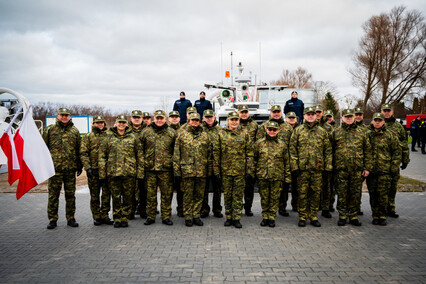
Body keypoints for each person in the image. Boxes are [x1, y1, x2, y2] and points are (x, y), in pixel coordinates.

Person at [290, 107, 332, 228]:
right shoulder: (298, 131)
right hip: (302, 169)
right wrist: (295, 166)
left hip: (317, 169)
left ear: (316, 116)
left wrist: (327, 166)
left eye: (312, 114)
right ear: (304, 116)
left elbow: (328, 150)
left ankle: (313, 216)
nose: (310, 116)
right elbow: (292, 150)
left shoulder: (322, 132)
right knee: (302, 194)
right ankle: (302, 216)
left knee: (315, 194)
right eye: (308, 114)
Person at [98, 115, 143, 228]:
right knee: (116, 197)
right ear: (116, 123)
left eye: (123, 122)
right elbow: (102, 155)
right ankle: (117, 218)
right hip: (113, 173)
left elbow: (139, 156)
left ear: (127, 124)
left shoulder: (133, 137)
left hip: (129, 172)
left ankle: (125, 218)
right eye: (119, 122)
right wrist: (103, 172)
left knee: (128, 197)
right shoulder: (108, 136)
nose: (121, 125)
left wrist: (140, 172)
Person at [331, 109, 372, 227]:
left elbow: (368, 151)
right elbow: (330, 150)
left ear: (354, 117)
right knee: (342, 194)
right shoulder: (336, 132)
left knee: (355, 193)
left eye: (351, 117)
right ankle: (343, 216)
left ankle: (353, 216)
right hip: (341, 169)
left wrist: (367, 167)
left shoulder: (361, 132)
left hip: (357, 169)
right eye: (346, 117)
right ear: (342, 118)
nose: (349, 119)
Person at [43, 107, 82, 229]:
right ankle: (52, 219)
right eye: (62, 115)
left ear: (69, 116)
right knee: (53, 195)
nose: (64, 117)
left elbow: (79, 149)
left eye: (66, 115)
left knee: (70, 195)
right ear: (57, 116)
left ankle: (71, 218)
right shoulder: (49, 130)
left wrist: (80, 165)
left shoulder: (74, 131)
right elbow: (43, 149)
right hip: (55, 169)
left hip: (70, 170)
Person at [213, 111, 254, 229]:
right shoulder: (221, 134)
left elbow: (249, 153)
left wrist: (249, 170)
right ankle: (229, 217)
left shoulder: (245, 134)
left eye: (236, 120)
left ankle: (236, 218)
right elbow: (216, 153)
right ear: (228, 121)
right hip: (225, 171)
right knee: (227, 195)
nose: (234, 122)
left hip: (240, 171)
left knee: (238, 195)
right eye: (232, 120)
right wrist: (217, 171)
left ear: (239, 121)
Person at [173, 112, 212, 227]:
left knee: (199, 195)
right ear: (189, 121)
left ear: (200, 122)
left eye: (197, 121)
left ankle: (196, 215)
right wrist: (177, 171)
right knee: (188, 195)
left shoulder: (205, 136)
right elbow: (176, 154)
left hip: (201, 170)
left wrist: (209, 170)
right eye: (192, 120)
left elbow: (209, 155)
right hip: (187, 171)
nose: (194, 123)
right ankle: (188, 216)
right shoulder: (182, 135)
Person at [140, 110, 176, 226]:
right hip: (150, 169)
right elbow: (140, 151)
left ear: (165, 119)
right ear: (153, 119)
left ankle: (166, 216)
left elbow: (176, 151)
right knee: (150, 195)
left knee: (166, 194)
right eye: (157, 118)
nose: (159, 120)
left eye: (161, 118)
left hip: (166, 169)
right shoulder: (145, 132)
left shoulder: (171, 133)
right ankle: (150, 216)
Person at [257, 105, 293, 217]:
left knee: (282, 191)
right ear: (271, 113)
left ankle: (282, 208)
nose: (276, 114)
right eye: (274, 112)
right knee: (266, 194)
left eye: (278, 112)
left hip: (281, 164)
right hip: (265, 166)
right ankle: (267, 214)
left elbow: (292, 146)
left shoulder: (288, 127)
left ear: (281, 112)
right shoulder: (263, 127)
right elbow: (258, 146)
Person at [254, 120, 291, 228]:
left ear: (278, 131)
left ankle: (272, 217)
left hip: (277, 175)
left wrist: (287, 177)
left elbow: (286, 161)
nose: (272, 131)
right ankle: (265, 216)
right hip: (263, 175)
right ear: (266, 130)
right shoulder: (259, 143)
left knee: (274, 198)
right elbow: (254, 159)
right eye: (270, 129)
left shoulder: (282, 145)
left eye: (274, 130)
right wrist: (254, 173)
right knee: (264, 197)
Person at [366, 113, 401, 226]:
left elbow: (397, 152)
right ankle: (375, 215)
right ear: (372, 121)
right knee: (373, 194)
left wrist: (394, 166)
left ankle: (382, 215)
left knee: (383, 194)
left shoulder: (390, 135)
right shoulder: (367, 134)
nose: (377, 122)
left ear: (383, 122)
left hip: (385, 171)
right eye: (375, 120)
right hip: (371, 170)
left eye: (379, 120)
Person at [80, 114, 113, 226]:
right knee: (94, 195)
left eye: (102, 122)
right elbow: (83, 153)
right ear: (93, 124)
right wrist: (87, 168)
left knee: (106, 194)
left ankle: (105, 215)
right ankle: (96, 216)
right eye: (97, 122)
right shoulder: (88, 136)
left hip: (106, 170)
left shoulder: (109, 135)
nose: (100, 124)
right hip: (93, 170)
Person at [381, 104, 410, 218]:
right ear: (382, 111)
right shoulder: (378, 125)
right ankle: (381, 210)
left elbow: (404, 143)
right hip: (381, 162)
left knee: (392, 187)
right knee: (382, 189)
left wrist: (405, 159)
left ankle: (391, 208)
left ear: (392, 112)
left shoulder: (398, 127)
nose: (386, 113)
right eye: (385, 111)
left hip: (394, 162)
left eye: (388, 111)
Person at [200, 109, 223, 218]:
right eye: (207, 117)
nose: (209, 119)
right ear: (203, 118)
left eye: (211, 117)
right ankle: (204, 209)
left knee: (217, 188)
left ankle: (217, 209)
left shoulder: (221, 130)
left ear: (214, 117)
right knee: (203, 188)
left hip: (217, 164)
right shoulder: (199, 130)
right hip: (204, 164)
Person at [238, 104, 258, 216]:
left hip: (251, 159)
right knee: (239, 187)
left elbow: (258, 140)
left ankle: (248, 208)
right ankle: (238, 208)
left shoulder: (254, 125)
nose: (244, 114)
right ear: (238, 113)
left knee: (249, 187)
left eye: (246, 112)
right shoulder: (235, 123)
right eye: (242, 112)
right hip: (238, 160)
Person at [128, 110, 148, 219]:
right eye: (134, 117)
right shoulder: (126, 130)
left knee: (143, 189)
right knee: (130, 189)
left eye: (138, 117)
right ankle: (130, 210)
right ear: (131, 119)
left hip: (144, 164)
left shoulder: (147, 130)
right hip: (130, 164)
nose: (136, 119)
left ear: (142, 119)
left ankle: (143, 210)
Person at [278, 111, 299, 215]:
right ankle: (281, 207)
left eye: (293, 118)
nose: (291, 119)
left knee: (293, 186)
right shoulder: (268, 126)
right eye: (289, 118)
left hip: (292, 160)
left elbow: (294, 145)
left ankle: (294, 205)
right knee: (283, 186)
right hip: (280, 161)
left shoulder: (291, 129)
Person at [168, 110, 183, 217]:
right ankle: (167, 211)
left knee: (181, 189)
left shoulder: (184, 130)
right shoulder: (165, 130)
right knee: (168, 190)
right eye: (172, 117)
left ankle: (181, 209)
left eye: (176, 117)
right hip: (168, 165)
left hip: (180, 164)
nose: (174, 118)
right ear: (169, 119)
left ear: (179, 118)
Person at [353, 107, 368, 216]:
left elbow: (367, 148)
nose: (358, 116)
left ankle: (356, 208)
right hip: (347, 165)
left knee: (357, 190)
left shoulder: (366, 130)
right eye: (356, 114)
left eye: (360, 114)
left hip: (360, 164)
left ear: (362, 116)